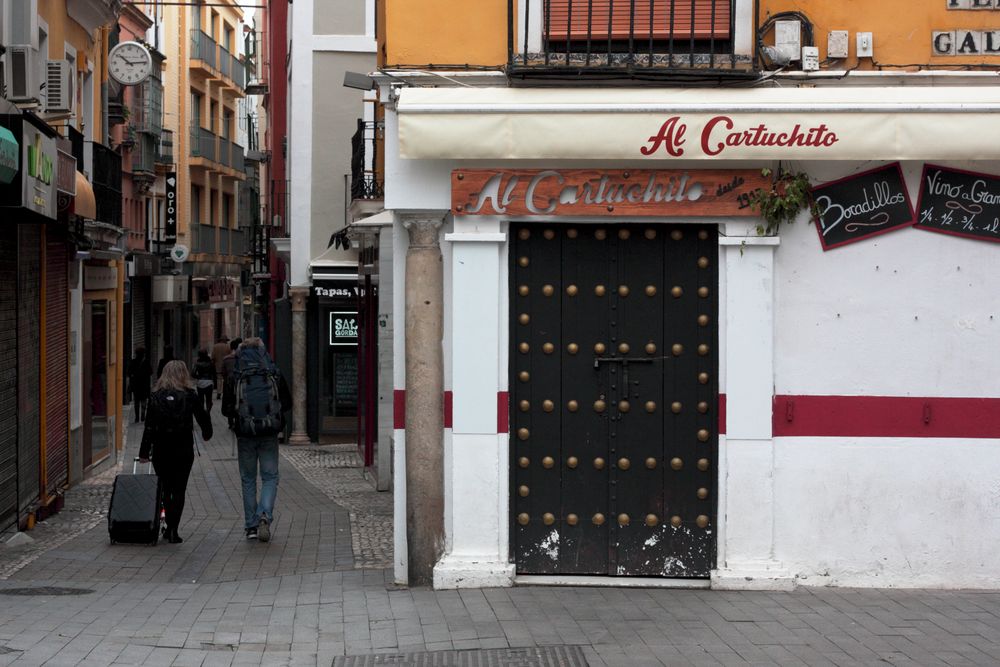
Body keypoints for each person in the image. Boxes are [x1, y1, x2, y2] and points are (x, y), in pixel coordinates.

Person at [222, 337, 291, 542]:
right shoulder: (273, 372)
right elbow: (286, 402)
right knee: (270, 477)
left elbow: (226, 409)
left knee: (248, 479)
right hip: (269, 432)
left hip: (245, 433)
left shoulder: (236, 374)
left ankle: (251, 526)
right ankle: (264, 515)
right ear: (262, 351)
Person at [138, 360, 213, 544]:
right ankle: (173, 529)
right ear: (183, 374)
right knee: (179, 489)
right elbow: (203, 418)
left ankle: (167, 522)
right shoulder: (190, 395)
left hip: (161, 449)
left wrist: (144, 453)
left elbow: (149, 427)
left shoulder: (155, 396)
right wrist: (206, 433)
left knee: (164, 487)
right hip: (183, 449)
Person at [221, 337, 242, 430]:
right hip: (239, 383)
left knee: (229, 401)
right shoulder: (241, 359)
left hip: (228, 383)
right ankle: (238, 420)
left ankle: (230, 422)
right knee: (237, 401)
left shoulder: (226, 359)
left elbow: (223, 372)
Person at [127, 347, 152, 422]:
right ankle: (143, 416)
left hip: (136, 385)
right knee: (144, 401)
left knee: (136, 401)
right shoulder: (146, 362)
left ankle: (137, 417)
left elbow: (128, 372)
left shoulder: (133, 362)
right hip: (144, 385)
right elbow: (151, 372)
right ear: (143, 354)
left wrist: (134, 375)